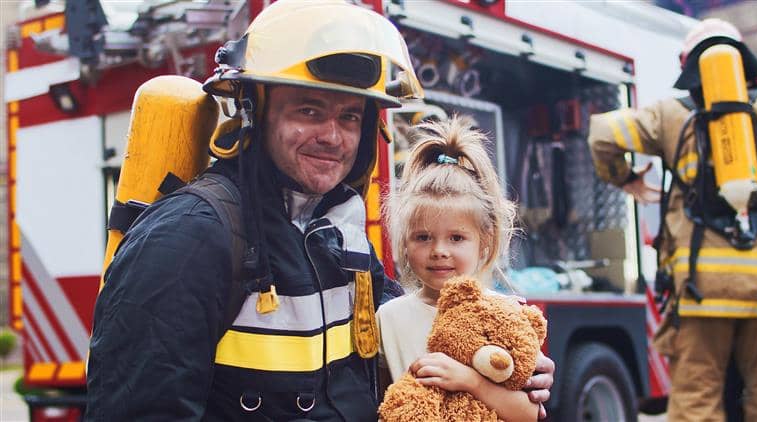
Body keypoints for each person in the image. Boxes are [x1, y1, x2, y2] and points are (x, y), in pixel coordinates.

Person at [86, 1, 552, 420]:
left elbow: (408, 329)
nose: (333, 136)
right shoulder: (189, 238)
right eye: (309, 111)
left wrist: (502, 365)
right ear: (256, 113)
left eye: (350, 116)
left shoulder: (336, 231)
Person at [587, 18, 757, 421]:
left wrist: (627, 179)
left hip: (703, 288)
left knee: (697, 400)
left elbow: (603, 134)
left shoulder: (671, 115)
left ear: (688, 65)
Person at [377, 115, 544, 421]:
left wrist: (471, 381)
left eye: (456, 238)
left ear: (485, 241)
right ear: (403, 243)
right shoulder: (387, 318)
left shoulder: (505, 313)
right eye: (423, 237)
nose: (439, 251)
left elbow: (530, 413)